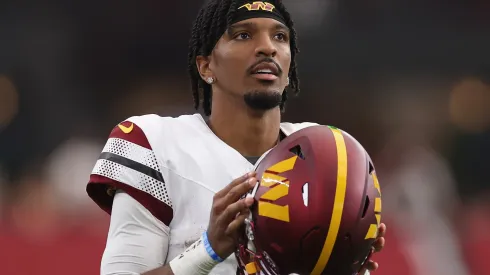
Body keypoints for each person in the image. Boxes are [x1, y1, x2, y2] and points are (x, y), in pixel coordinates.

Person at [86, 0, 386, 274]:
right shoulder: (155, 143)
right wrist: (207, 251)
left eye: (279, 36)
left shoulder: (330, 152)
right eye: (243, 35)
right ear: (206, 67)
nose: (267, 47)